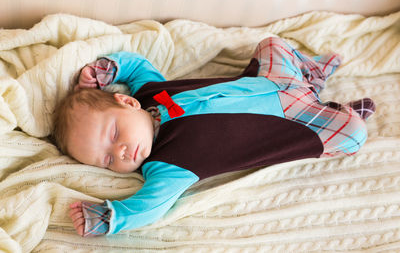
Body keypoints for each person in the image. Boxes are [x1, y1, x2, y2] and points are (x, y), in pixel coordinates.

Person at [52, 37, 375, 237]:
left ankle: (311, 76)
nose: (120, 151)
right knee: (353, 135)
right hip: (295, 120)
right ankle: (340, 111)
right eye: (107, 160)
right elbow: (150, 206)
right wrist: (112, 217)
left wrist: (110, 69)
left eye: (114, 133)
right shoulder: (169, 164)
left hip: (273, 81)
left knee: (272, 44)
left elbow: (137, 67)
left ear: (127, 102)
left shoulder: (153, 94)